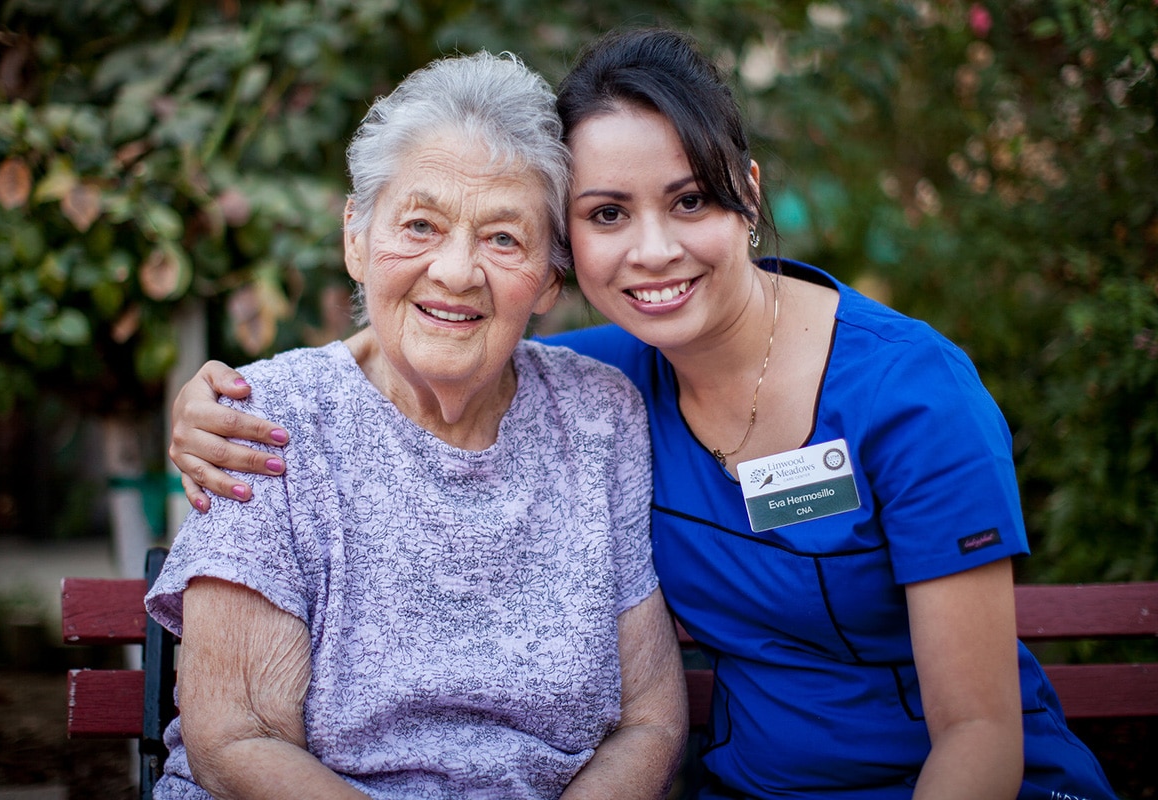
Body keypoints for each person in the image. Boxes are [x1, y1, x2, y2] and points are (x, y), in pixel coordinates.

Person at [167, 27, 1117, 800]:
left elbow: (981, 732)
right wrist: (229, 396)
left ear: (746, 193)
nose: (653, 250)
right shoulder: (585, 385)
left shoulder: (903, 397)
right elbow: (435, 349)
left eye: (690, 199)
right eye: (609, 213)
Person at [144, 49, 688, 800]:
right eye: (421, 224)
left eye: (504, 239)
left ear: (551, 282)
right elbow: (237, 740)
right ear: (356, 239)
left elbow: (649, 721)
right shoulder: (267, 421)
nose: (457, 271)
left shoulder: (599, 415)